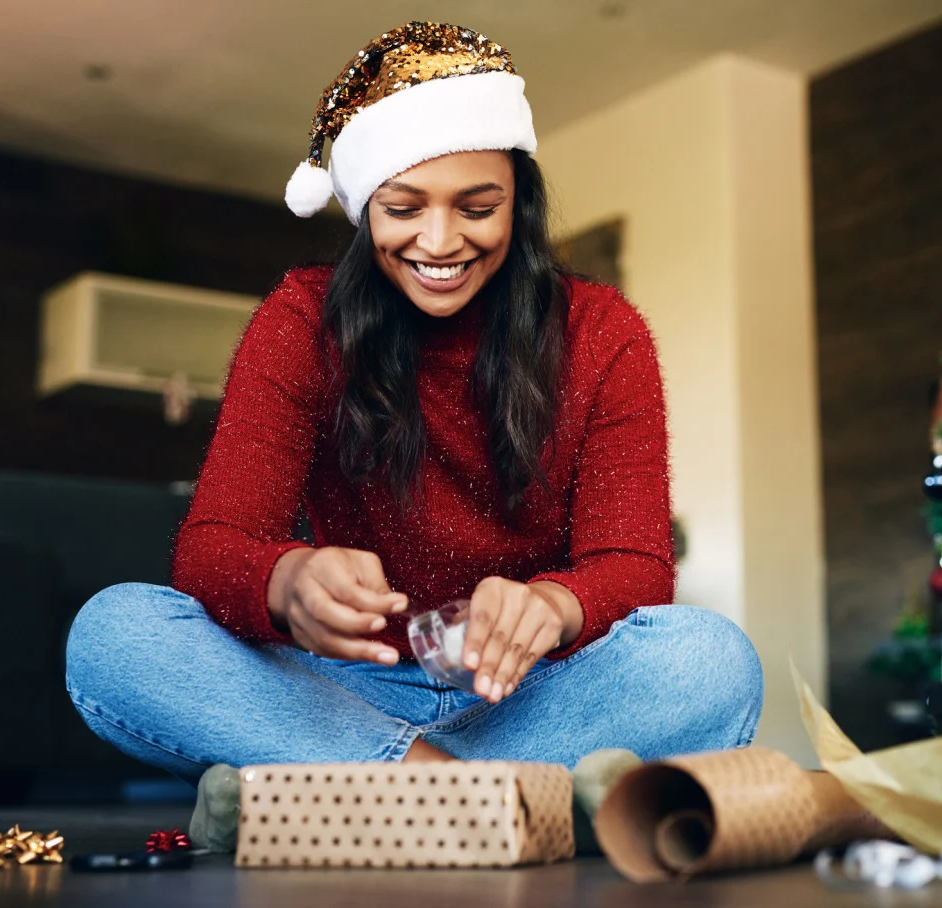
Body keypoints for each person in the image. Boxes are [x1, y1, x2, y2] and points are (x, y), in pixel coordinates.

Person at [65, 22, 763, 785]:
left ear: (517, 203)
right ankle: (469, 794)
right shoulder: (302, 320)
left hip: (529, 695)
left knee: (713, 661)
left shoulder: (603, 332)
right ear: (365, 211)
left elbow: (632, 563)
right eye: (404, 209)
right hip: (337, 690)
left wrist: (556, 607)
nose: (439, 241)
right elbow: (213, 545)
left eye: (476, 207)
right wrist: (286, 580)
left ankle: (343, 789)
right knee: (114, 635)